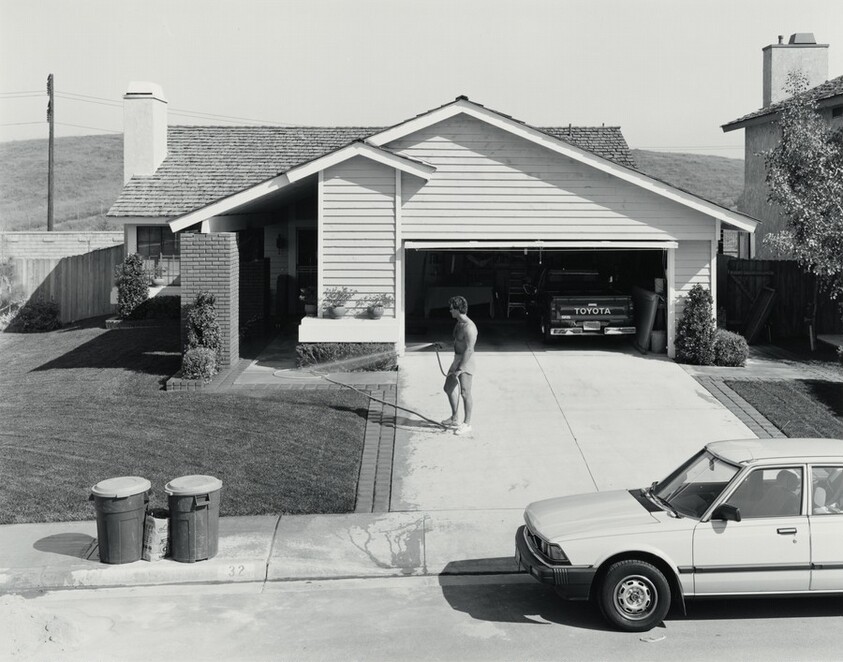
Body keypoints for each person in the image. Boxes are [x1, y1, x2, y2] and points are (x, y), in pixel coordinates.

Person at [441, 295, 477, 435]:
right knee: (448, 388)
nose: (449, 311)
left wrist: (460, 369)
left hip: (466, 361)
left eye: (451, 308)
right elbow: (457, 342)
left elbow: (469, 349)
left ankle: (467, 424)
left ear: (457, 309)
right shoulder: (458, 323)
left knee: (465, 393)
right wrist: (444, 345)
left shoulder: (470, 327)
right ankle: (455, 418)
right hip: (457, 359)